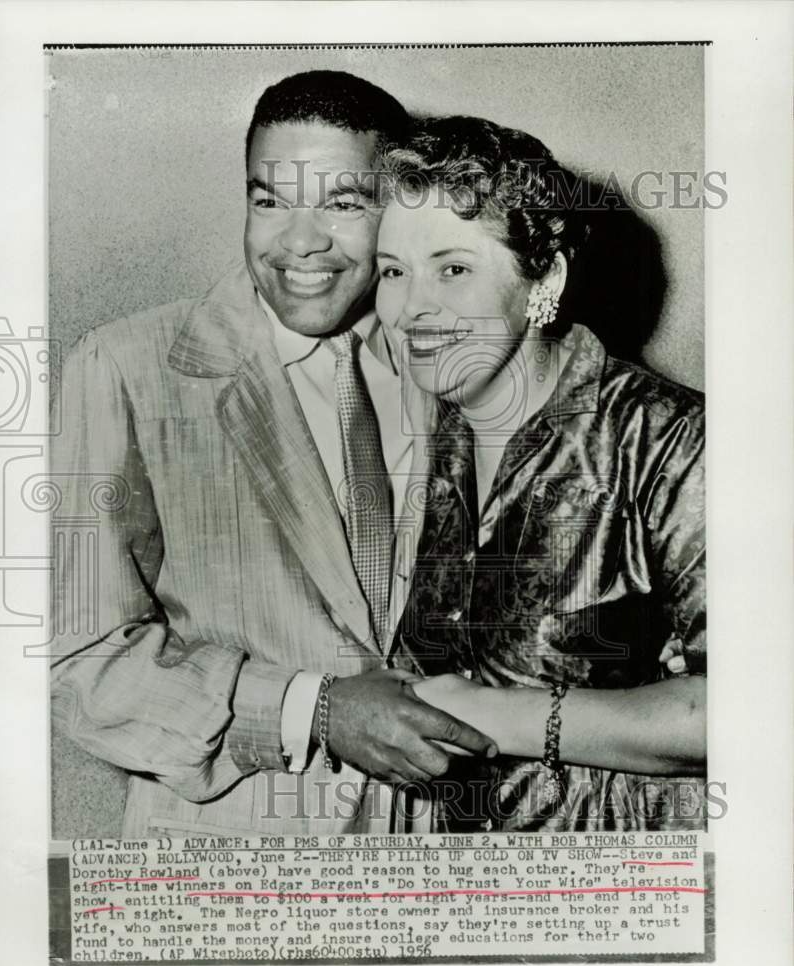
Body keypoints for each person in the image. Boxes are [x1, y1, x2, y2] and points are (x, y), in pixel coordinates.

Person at [50, 73, 497, 840]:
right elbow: (75, 663)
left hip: (438, 866)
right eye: (270, 201)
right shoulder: (124, 368)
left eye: (342, 203)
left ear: (397, 208)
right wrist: (311, 709)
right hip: (226, 877)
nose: (299, 242)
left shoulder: (458, 356)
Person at [376, 115, 706, 832]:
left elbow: (746, 713)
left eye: (453, 268)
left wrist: (500, 715)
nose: (410, 306)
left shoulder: (671, 438)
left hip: (619, 894)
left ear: (544, 280)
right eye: (393, 271)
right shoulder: (403, 446)